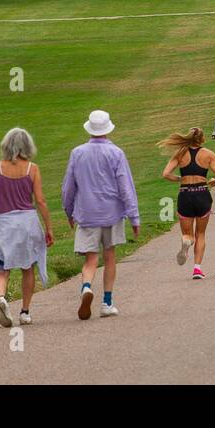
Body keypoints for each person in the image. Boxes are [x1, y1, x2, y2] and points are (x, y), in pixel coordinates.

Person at [62, 110, 140, 320]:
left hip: (87, 212)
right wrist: (134, 216)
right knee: (110, 255)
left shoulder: (77, 153)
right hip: (112, 212)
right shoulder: (116, 153)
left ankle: (86, 286)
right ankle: (107, 301)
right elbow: (125, 186)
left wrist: (68, 210)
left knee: (90, 258)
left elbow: (69, 186)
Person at [0, 128, 54, 327]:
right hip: (27, 221)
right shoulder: (32, 169)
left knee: (1, 267)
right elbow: (41, 200)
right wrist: (48, 227)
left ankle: (2, 297)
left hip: (4, 221)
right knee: (28, 267)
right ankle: (25, 311)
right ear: (28, 146)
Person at [160, 128, 215, 279]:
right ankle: (197, 268)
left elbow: (166, 174)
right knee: (200, 234)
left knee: (188, 234)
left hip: (185, 194)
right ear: (202, 139)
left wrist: (179, 179)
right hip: (202, 193)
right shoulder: (209, 154)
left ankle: (186, 242)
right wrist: (214, 181)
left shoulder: (180, 153)